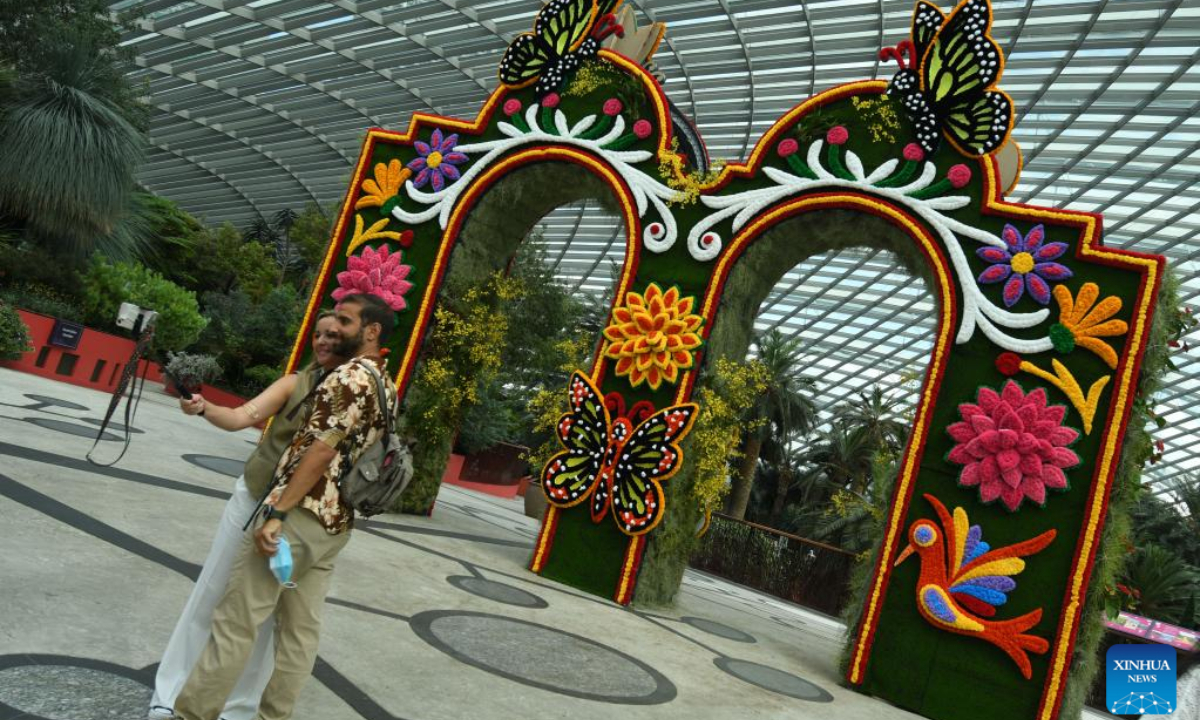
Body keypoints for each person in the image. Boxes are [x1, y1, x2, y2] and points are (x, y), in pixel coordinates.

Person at [174, 292, 398, 720]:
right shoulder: (385, 385)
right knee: (300, 633)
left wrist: (277, 514)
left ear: (372, 331)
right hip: (336, 525)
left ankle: (191, 715)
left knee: (236, 622)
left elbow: (320, 451)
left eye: (346, 323)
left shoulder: (349, 377)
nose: (335, 329)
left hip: (298, 517)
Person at [148, 311, 346, 720]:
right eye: (319, 334)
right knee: (215, 595)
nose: (324, 341)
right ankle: (173, 692)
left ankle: (238, 707)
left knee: (268, 616)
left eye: (333, 335)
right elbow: (241, 417)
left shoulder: (356, 394)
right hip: (255, 500)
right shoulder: (296, 382)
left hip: (303, 518)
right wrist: (204, 408)